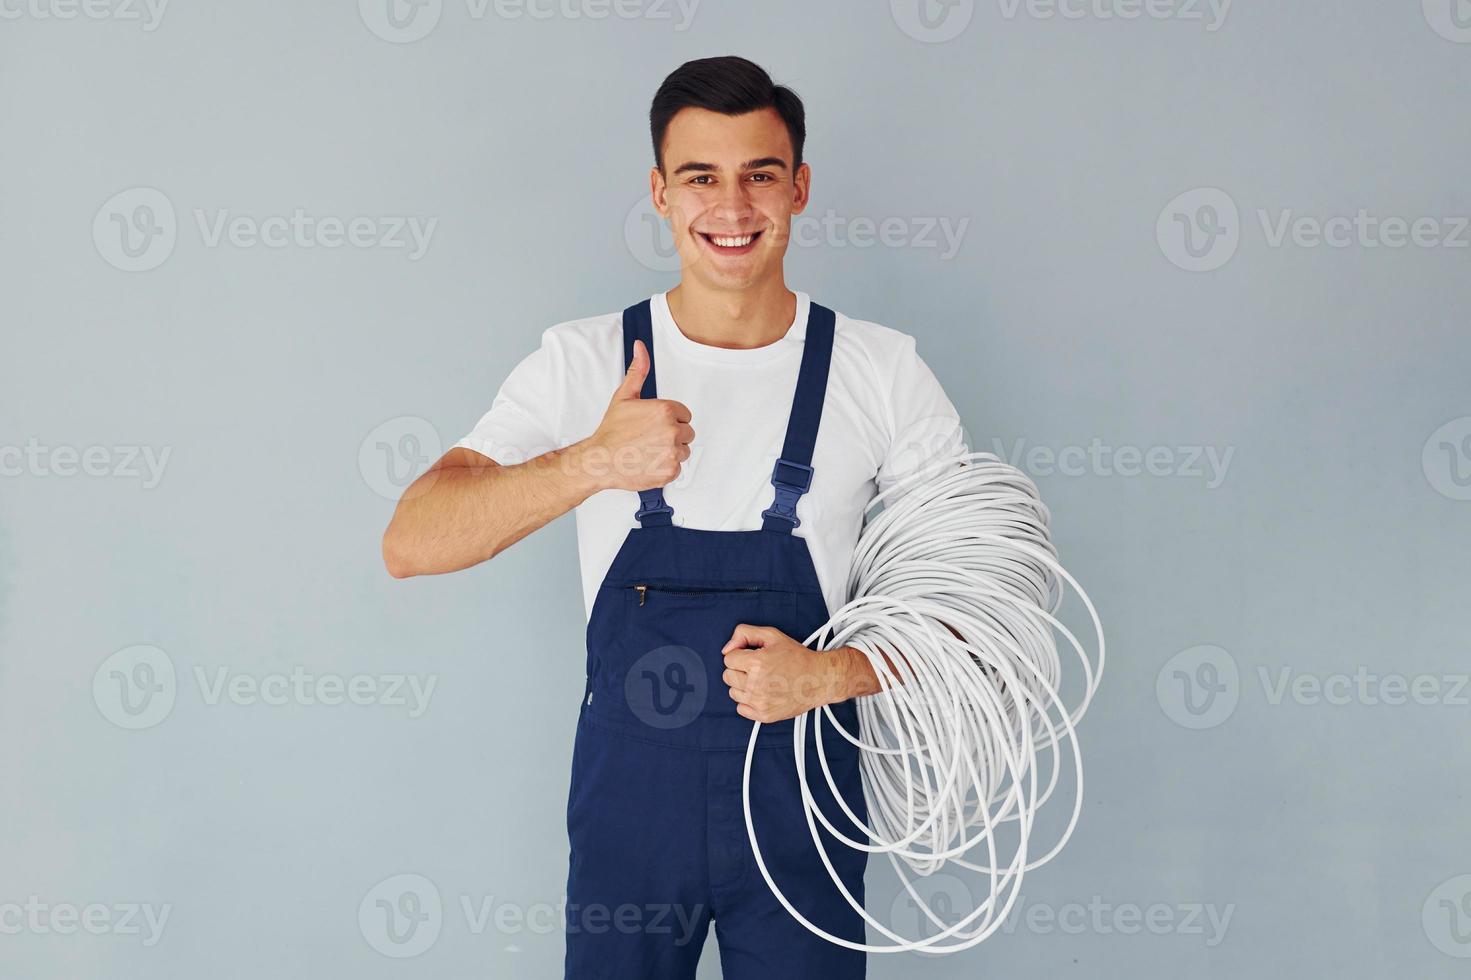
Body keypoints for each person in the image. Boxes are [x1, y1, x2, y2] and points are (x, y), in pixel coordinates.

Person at [381, 54, 966, 980]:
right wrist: (591, 462)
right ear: (659, 192)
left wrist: (832, 675)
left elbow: (978, 615)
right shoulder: (583, 363)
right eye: (700, 176)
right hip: (630, 825)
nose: (730, 208)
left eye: (759, 175)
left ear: (799, 188)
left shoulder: (882, 372)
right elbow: (412, 540)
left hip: (803, 814)